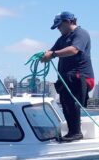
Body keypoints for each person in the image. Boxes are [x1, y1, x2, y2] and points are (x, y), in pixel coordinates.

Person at [41, 11, 95, 142]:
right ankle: (72, 132)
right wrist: (44, 56)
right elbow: (51, 51)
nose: (58, 28)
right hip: (66, 77)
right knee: (65, 103)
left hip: (80, 76)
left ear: (69, 22)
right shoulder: (62, 38)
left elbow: (74, 50)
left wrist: (53, 54)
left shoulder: (81, 34)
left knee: (73, 103)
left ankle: (76, 132)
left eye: (60, 25)